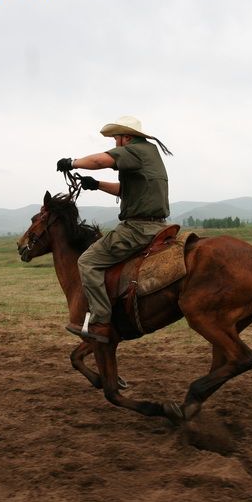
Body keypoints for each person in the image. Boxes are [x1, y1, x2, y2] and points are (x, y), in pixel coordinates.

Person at [56, 116, 172, 343]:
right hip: (158, 224)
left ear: (126, 137)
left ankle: (101, 321)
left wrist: (73, 162)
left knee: (87, 261)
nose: (114, 143)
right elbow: (126, 190)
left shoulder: (135, 150)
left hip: (138, 228)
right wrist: (96, 185)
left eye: (115, 139)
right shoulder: (149, 154)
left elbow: (100, 161)